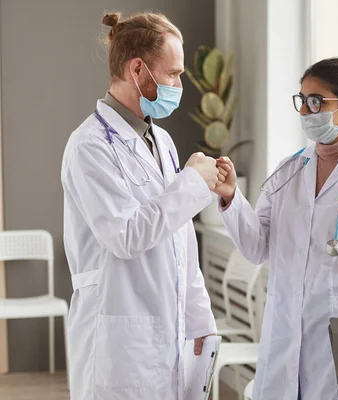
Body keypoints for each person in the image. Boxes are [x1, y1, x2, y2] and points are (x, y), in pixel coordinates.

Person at [214, 58, 338, 399]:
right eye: (302, 100)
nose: (305, 110)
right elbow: (257, 247)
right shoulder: (289, 169)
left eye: (316, 101)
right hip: (285, 332)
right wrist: (232, 196)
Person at [61, 12, 223, 400]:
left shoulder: (161, 141)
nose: (180, 84)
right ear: (138, 69)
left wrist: (200, 318)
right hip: (119, 338)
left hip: (166, 330)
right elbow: (126, 236)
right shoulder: (89, 146)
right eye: (173, 74)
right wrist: (193, 182)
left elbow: (179, 237)